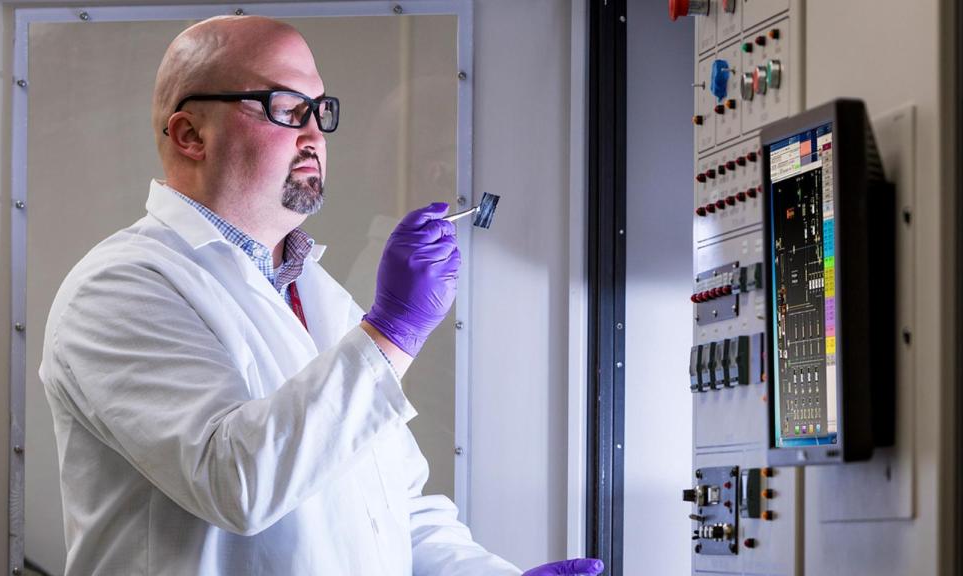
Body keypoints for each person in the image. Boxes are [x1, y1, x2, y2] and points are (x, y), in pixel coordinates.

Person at [39, 15, 603, 576]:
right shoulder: (119, 287)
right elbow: (235, 482)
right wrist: (392, 333)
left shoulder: (316, 292)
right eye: (285, 108)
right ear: (191, 135)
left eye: (318, 110)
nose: (313, 135)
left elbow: (394, 508)